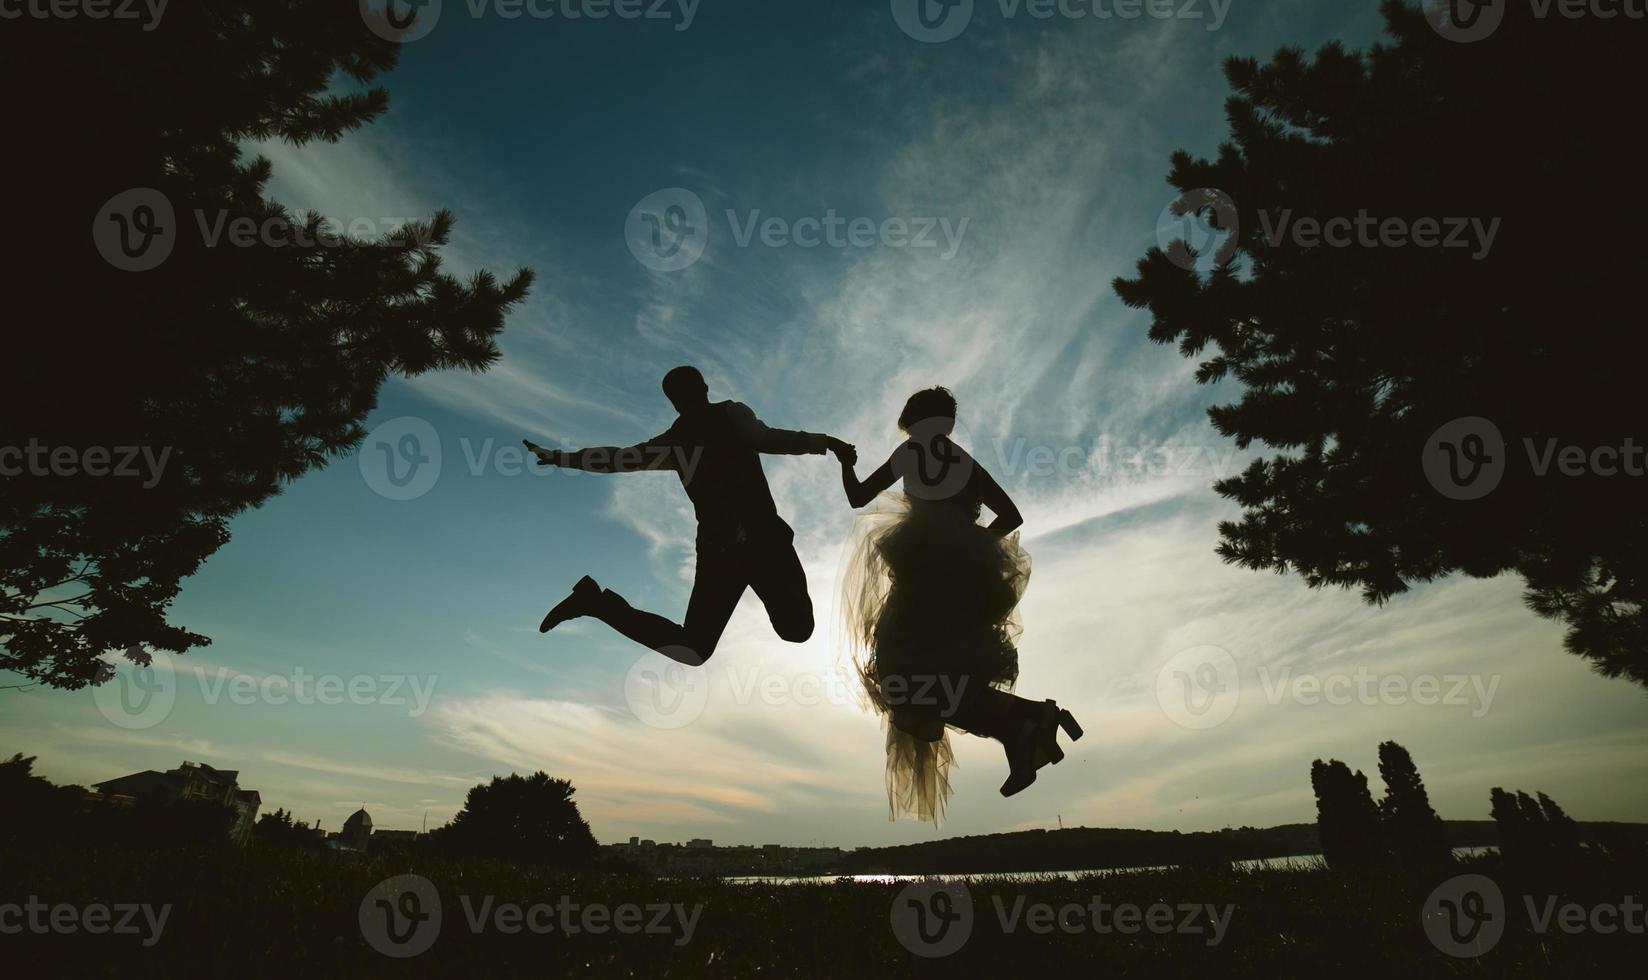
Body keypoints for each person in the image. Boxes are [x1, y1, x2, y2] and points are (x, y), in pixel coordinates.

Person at [836, 386, 1080, 824]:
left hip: (926, 575)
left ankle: (1028, 722)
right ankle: (1025, 726)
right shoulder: (964, 462)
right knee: (938, 677)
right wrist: (972, 548)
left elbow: (857, 497)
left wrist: (845, 464)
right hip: (960, 578)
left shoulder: (908, 455)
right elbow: (1011, 516)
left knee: (906, 677)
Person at [527, 366, 853, 667]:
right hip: (736, 547)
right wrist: (827, 443)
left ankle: (596, 604)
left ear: (674, 401)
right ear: (704, 388)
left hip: (739, 544)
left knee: (721, 644)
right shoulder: (716, 420)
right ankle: (595, 604)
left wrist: (563, 458)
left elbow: (618, 459)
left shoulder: (683, 438)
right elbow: (767, 439)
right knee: (783, 632)